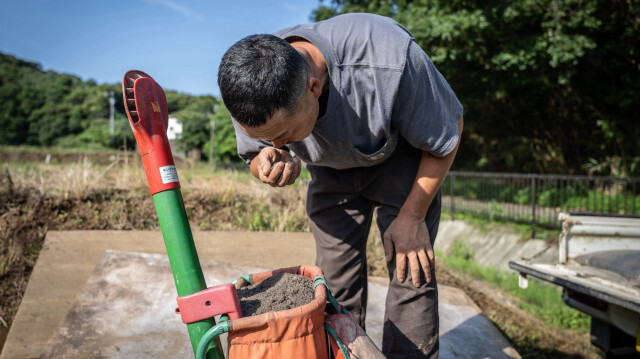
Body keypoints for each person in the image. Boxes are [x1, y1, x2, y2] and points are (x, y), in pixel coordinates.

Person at [218, 12, 463, 359]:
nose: (276, 144)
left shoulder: (387, 61)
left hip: (400, 160)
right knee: (333, 284)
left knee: (412, 271)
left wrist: (412, 217)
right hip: (330, 171)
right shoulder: (249, 85)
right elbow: (257, 153)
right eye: (266, 137)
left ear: (313, 87)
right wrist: (265, 163)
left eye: (282, 135)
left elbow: (447, 134)